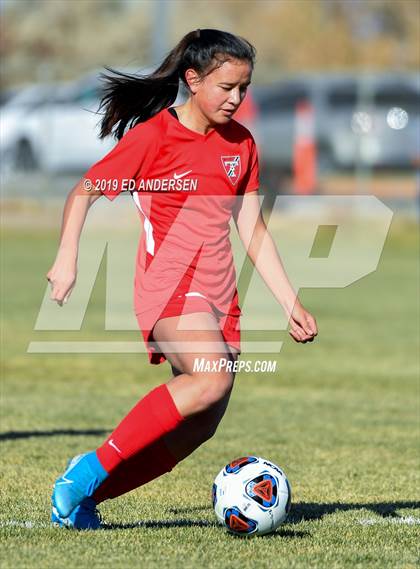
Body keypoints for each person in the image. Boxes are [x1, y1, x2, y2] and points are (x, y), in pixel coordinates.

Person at [48, 29, 318, 530]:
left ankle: (86, 496)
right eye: (226, 87)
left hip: (219, 296)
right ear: (193, 80)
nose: (236, 99)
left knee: (199, 425)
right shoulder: (152, 137)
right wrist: (68, 257)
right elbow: (84, 191)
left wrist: (289, 302)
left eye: (244, 87)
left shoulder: (242, 144)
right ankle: (86, 471)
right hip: (167, 285)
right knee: (211, 378)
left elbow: (251, 227)